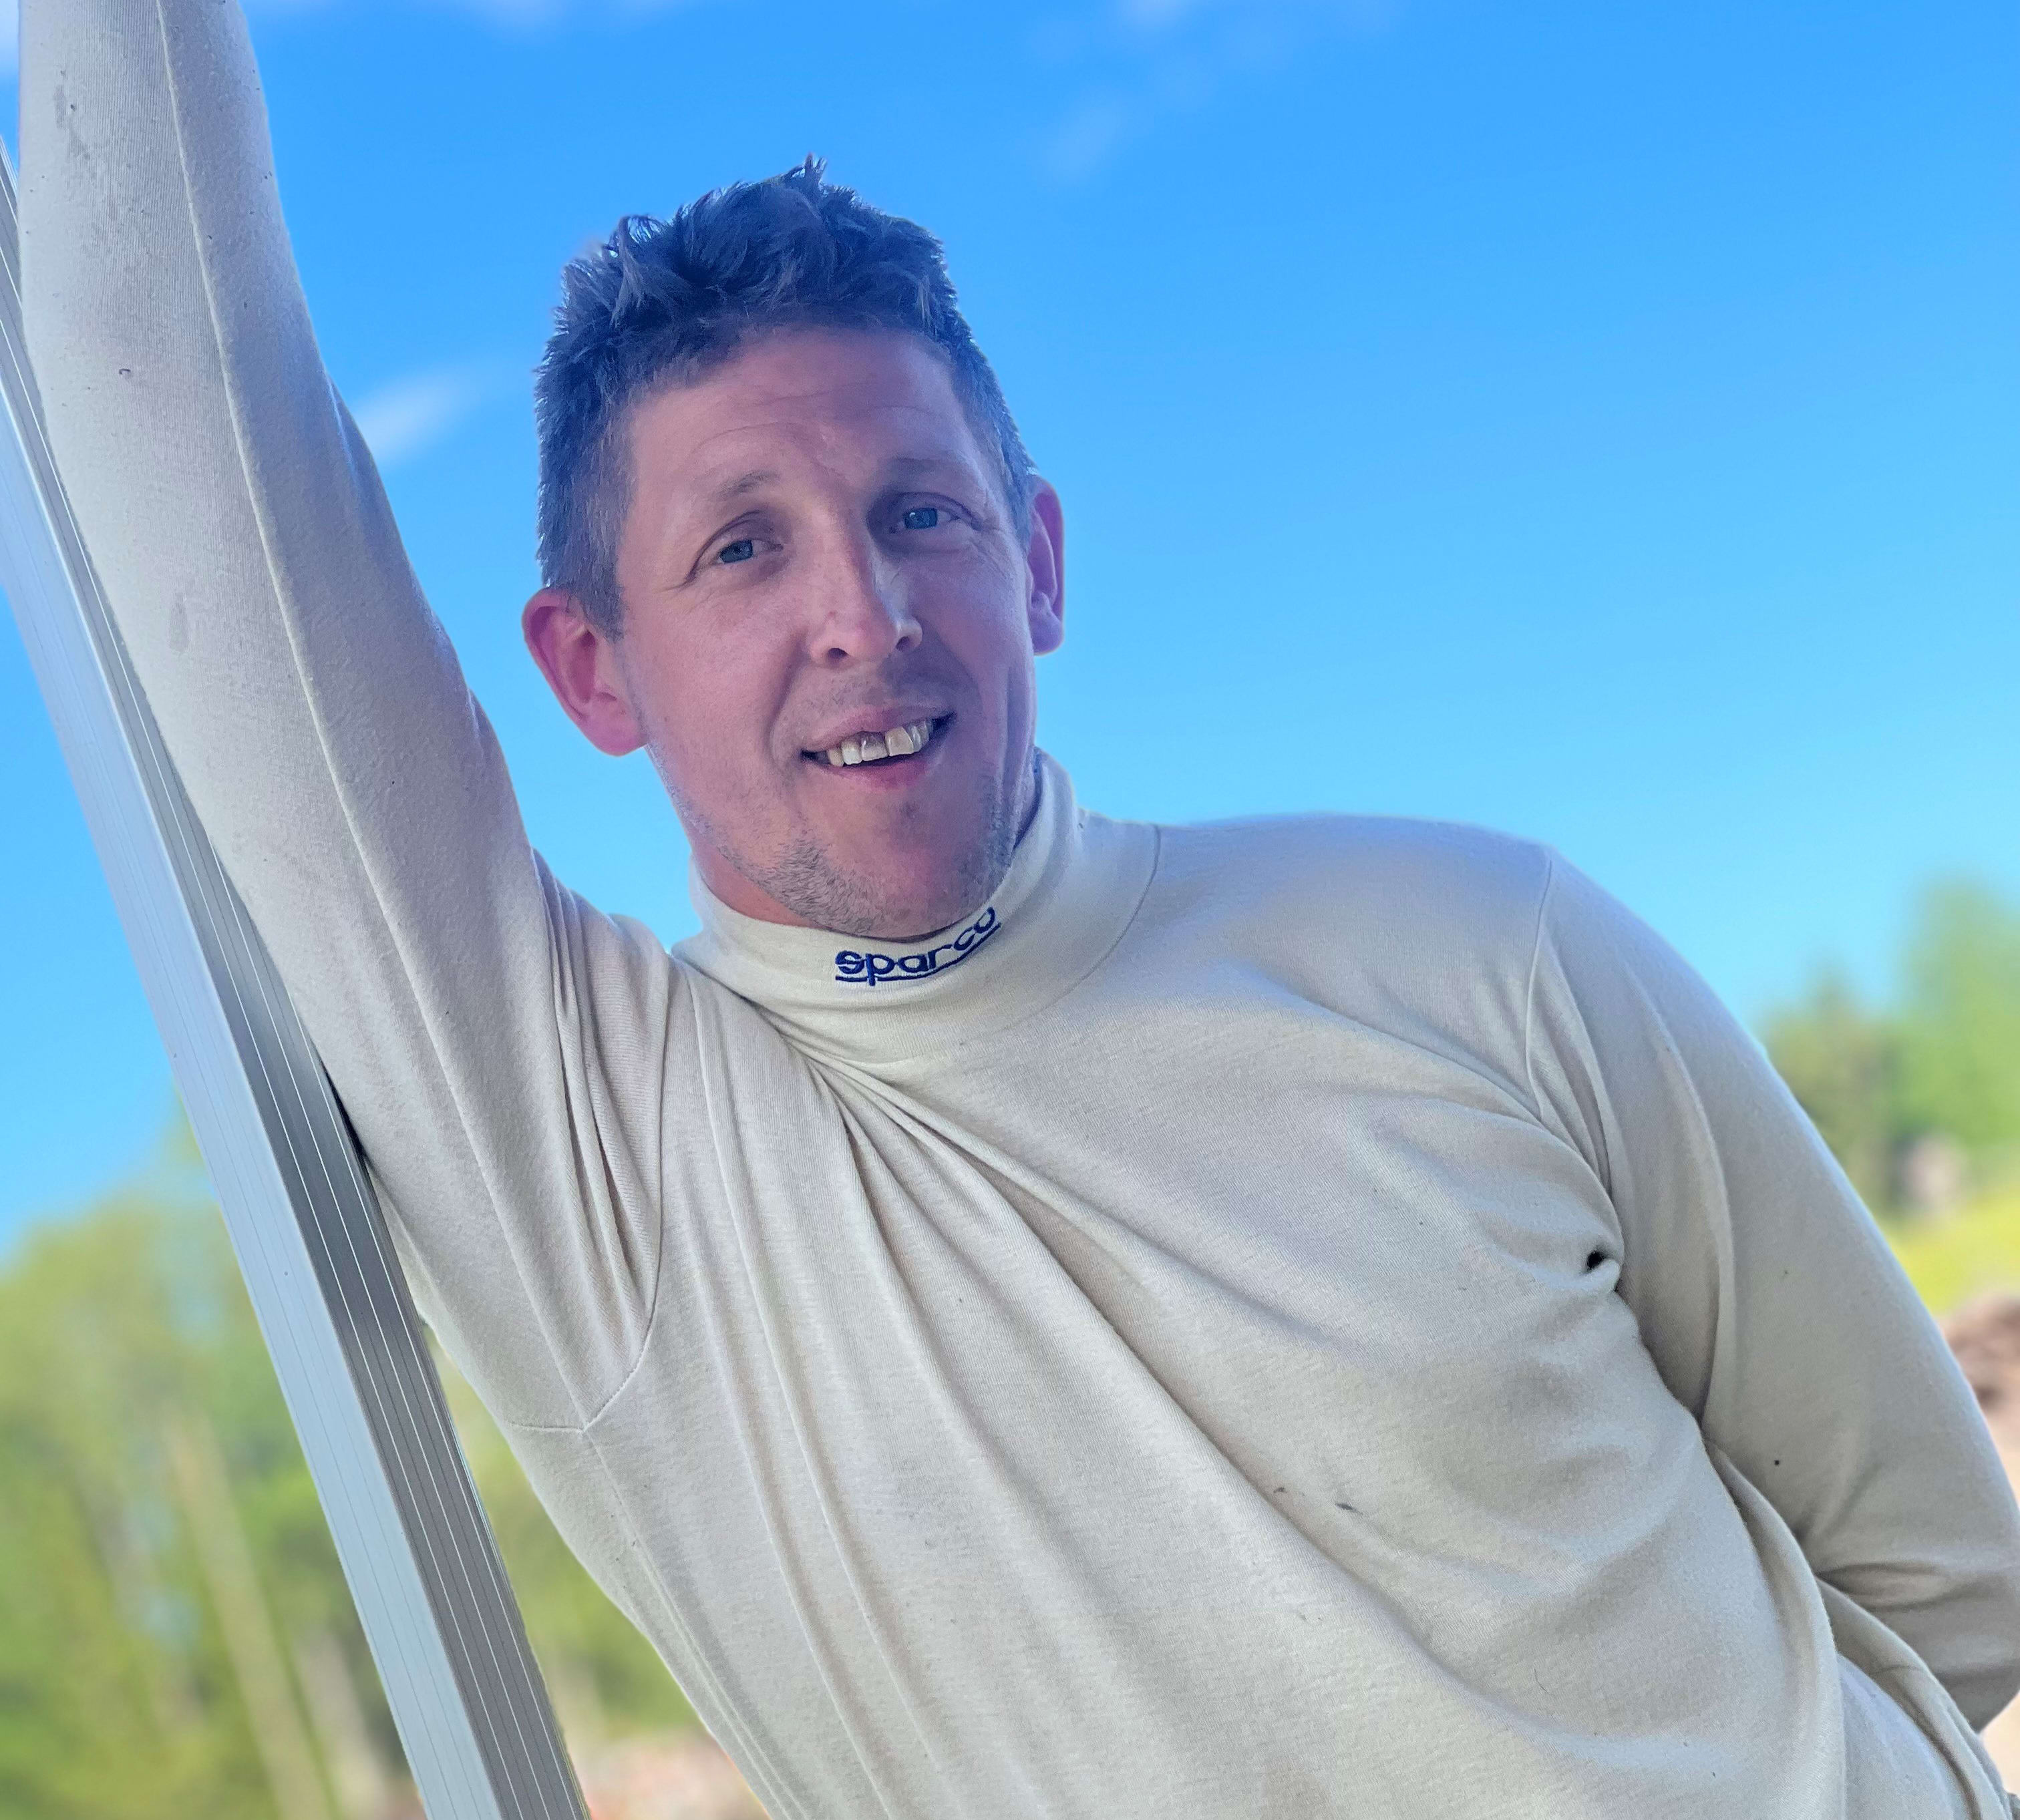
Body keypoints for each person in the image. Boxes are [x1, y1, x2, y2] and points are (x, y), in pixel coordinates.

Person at [23, 2, 2020, 1815]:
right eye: (741, 550)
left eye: (922, 512)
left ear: (1037, 560)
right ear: (591, 670)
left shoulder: (1485, 942)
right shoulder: (590, 1163)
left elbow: (1940, 1579)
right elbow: (176, 387)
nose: (864, 614)